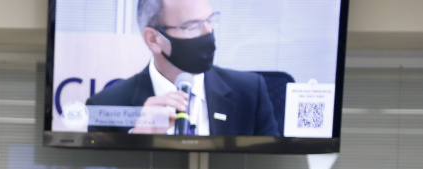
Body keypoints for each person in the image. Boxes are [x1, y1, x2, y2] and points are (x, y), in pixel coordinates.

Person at [86, 0, 279, 136]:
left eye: (210, 20)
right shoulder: (107, 106)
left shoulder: (250, 93)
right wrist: (137, 142)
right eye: (193, 26)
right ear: (154, 39)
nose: (208, 32)